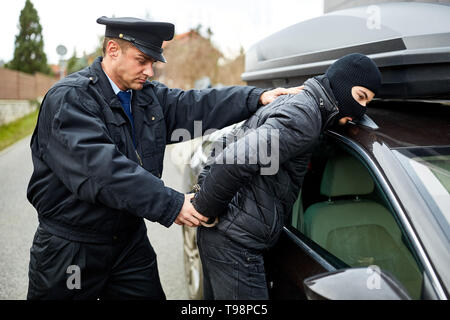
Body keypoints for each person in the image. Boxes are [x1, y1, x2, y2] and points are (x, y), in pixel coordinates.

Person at [26, 16, 302, 300]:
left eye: (153, 62)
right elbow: (101, 170)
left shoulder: (144, 97)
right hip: (74, 248)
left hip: (127, 243)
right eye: (142, 60)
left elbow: (197, 104)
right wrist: (172, 203)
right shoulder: (69, 99)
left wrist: (257, 98)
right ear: (112, 50)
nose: (150, 70)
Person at [192, 53, 382, 300]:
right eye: (360, 97)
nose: (361, 110)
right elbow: (235, 158)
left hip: (226, 235)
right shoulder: (305, 117)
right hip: (236, 244)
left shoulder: (296, 101)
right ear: (342, 85)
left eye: (368, 102)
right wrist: (204, 208)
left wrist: (203, 193)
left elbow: (228, 142)